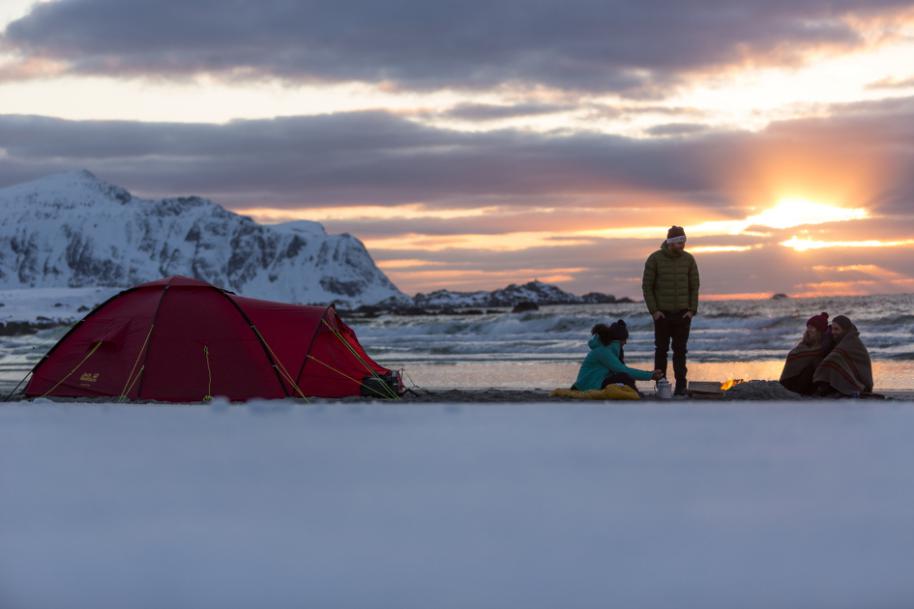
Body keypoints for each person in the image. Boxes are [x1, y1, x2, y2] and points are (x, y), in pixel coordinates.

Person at [642, 225, 699, 396]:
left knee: (680, 350)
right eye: (679, 241)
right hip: (662, 315)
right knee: (661, 350)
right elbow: (647, 287)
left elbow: (694, 287)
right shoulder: (655, 259)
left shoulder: (689, 259)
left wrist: (691, 310)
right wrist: (654, 311)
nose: (682, 245)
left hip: (683, 314)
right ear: (670, 242)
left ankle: (681, 385)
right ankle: (661, 384)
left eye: (684, 241)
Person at [573, 320, 663, 392]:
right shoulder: (603, 352)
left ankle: (636, 394)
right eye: (624, 340)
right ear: (618, 340)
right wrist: (650, 375)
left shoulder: (606, 350)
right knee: (624, 377)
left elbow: (621, 370)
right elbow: (623, 370)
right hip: (587, 386)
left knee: (625, 378)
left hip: (594, 383)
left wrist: (650, 374)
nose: (626, 342)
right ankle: (637, 396)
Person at [812, 315, 873, 397]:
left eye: (836, 329)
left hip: (861, 385)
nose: (833, 332)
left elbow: (834, 357)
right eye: (832, 329)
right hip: (854, 382)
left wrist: (819, 374)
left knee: (833, 361)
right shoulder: (840, 340)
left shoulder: (851, 341)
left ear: (845, 330)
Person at [779, 312, 833, 395]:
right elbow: (794, 356)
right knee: (814, 363)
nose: (809, 330)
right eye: (808, 327)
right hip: (791, 384)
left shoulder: (824, 346)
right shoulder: (804, 344)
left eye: (813, 328)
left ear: (820, 331)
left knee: (817, 362)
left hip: (807, 384)